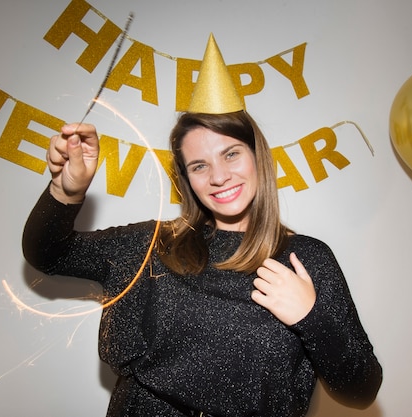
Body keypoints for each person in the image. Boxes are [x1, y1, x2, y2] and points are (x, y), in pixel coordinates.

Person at [23, 35, 382, 417]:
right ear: (187, 179)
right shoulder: (152, 245)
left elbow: (361, 390)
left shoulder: (307, 259)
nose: (219, 176)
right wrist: (67, 190)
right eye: (199, 165)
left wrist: (311, 316)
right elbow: (48, 253)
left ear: (257, 155)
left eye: (231, 154)